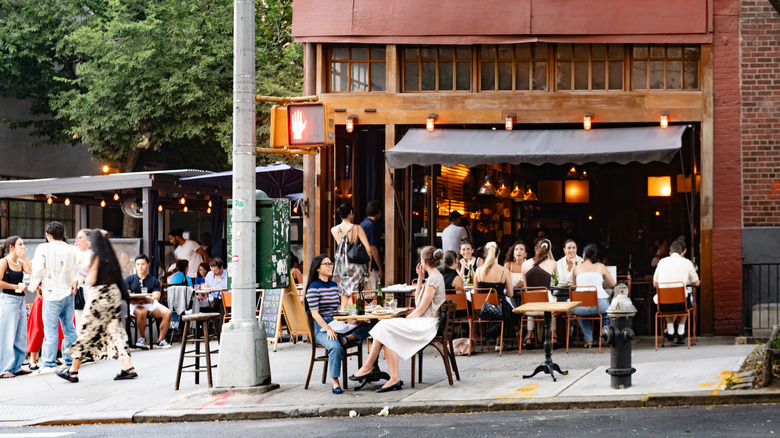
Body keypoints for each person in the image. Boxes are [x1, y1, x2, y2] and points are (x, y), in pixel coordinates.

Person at [349, 246, 445, 393]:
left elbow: (420, 309)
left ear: (424, 262)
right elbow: (418, 303)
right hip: (424, 322)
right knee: (386, 330)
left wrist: (406, 320)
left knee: (385, 326)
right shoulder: (433, 278)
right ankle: (392, 377)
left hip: (426, 325)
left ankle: (369, 366)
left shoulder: (434, 280)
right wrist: (420, 278)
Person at [57, 229, 138, 383]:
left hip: (99, 296)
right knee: (116, 331)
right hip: (113, 295)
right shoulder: (110, 257)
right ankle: (128, 367)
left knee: (87, 332)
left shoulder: (96, 257)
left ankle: (73, 371)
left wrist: (84, 275)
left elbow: (92, 280)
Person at [305, 254, 372, 394]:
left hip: (337, 323)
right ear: (318, 268)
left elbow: (337, 310)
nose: (331, 267)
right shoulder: (313, 287)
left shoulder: (333, 285)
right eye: (327, 264)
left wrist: (352, 320)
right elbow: (315, 314)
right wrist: (328, 329)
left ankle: (348, 338)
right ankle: (335, 381)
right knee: (335, 347)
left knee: (372, 324)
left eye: (331, 264)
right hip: (322, 327)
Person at [28, 221, 83, 374]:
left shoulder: (43, 248)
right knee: (69, 329)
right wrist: (76, 281)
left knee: (50, 330)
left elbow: (38, 269)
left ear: (49, 235)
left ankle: (49, 363)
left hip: (51, 293)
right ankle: (70, 360)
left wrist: (34, 286)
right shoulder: (72, 249)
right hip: (68, 293)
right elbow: (83, 265)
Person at [653, 239, 700, 344]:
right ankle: (681, 330)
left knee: (669, 300)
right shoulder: (687, 262)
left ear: (670, 253)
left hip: (663, 305)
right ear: (684, 252)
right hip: (681, 304)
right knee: (685, 299)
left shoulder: (662, 262)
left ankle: (670, 330)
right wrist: (685, 281)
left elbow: (655, 284)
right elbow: (696, 283)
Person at [570, 243, 615, 348]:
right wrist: (600, 282)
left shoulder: (577, 268)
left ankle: (588, 339)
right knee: (605, 314)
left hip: (581, 306)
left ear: (584, 254)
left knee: (582, 314)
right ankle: (605, 337)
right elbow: (612, 284)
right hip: (599, 305)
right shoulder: (601, 266)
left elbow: (574, 286)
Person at [0, 236, 32, 378]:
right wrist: (15, 286)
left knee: (20, 335)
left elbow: (33, 272)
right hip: (8, 300)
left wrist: (25, 257)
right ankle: (4, 369)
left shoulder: (20, 262)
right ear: (11, 246)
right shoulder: (4, 262)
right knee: (7, 336)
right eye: (20, 244)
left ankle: (17, 366)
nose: (23, 246)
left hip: (20, 300)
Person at [125, 254, 172, 349]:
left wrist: (147, 299)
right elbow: (128, 297)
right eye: (138, 264)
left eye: (143, 264)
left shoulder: (153, 280)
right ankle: (142, 338)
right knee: (142, 311)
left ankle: (161, 340)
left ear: (148, 265)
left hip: (150, 303)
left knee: (167, 312)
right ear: (135, 265)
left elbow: (156, 296)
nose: (140, 266)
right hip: (136, 305)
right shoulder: (129, 279)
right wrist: (142, 299)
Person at [330, 203, 372, 308]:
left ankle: (345, 321)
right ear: (351, 213)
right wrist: (369, 267)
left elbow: (343, 247)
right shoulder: (357, 228)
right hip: (356, 265)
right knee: (355, 294)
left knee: (344, 295)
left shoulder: (334, 230)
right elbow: (368, 249)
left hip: (342, 266)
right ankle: (353, 320)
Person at [474, 242, 515, 346]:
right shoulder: (504, 271)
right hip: (499, 309)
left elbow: (476, 293)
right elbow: (510, 294)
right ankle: (497, 340)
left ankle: (492, 337)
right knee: (508, 312)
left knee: (503, 313)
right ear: (499, 252)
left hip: (483, 309)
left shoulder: (478, 271)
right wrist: (502, 291)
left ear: (485, 254)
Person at [521, 238, 558, 348]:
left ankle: (528, 337)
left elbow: (526, 287)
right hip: (546, 306)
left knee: (532, 300)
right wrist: (549, 251)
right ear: (548, 250)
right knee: (553, 302)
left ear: (535, 249)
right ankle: (554, 336)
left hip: (530, 307)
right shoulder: (552, 263)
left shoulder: (525, 264)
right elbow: (555, 270)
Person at [359, 200, 384, 289]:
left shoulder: (363, 224)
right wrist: (380, 267)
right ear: (379, 212)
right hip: (372, 267)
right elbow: (372, 248)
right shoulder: (370, 226)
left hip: (364, 265)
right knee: (373, 292)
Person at [74, 228, 92, 336]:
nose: (78, 241)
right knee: (80, 323)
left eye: (80, 238)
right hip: (80, 289)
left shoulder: (94, 254)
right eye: (77, 238)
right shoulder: (78, 254)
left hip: (91, 290)